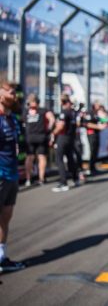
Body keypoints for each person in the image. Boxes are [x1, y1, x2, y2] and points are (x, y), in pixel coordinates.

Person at [0, 81, 26, 273]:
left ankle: (1, 258)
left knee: (5, 217)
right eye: (10, 92)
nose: (14, 95)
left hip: (11, 174)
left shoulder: (12, 118)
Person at [22, 93, 55, 186]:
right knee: (39, 157)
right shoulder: (42, 110)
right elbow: (52, 119)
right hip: (39, 136)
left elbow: (24, 122)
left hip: (33, 137)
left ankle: (29, 179)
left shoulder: (29, 111)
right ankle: (40, 179)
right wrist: (49, 129)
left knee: (31, 157)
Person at [51, 94, 79, 192]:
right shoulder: (74, 112)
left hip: (63, 137)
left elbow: (61, 126)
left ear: (63, 102)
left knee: (59, 159)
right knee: (70, 158)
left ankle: (63, 183)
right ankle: (76, 179)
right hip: (71, 137)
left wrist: (53, 133)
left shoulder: (65, 112)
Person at [81, 101, 106, 175]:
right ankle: (90, 168)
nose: (99, 106)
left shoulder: (97, 114)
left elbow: (104, 121)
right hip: (91, 134)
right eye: (98, 105)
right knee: (92, 150)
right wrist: (98, 127)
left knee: (95, 151)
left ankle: (93, 167)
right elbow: (87, 124)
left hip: (96, 133)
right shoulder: (90, 113)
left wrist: (103, 116)